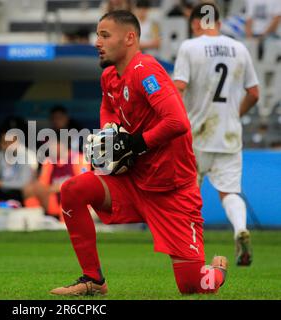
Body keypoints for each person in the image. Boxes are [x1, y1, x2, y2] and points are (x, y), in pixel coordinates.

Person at [50, 10, 228, 296]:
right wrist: (109, 129)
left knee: (195, 286)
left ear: (130, 37)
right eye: (98, 34)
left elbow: (177, 122)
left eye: (105, 35)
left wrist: (134, 144)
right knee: (73, 189)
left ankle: (217, 269)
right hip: (133, 181)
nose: (97, 41)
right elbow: (108, 106)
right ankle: (93, 279)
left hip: (171, 191)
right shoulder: (109, 76)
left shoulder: (146, 70)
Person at [173, 3, 259, 266]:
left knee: (187, 192)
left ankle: (189, 246)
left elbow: (178, 88)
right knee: (229, 192)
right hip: (229, 133)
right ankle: (240, 229)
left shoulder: (189, 47)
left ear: (195, 24)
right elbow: (254, 93)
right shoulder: (240, 49)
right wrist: (235, 114)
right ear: (219, 24)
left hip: (196, 133)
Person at [0, 131, 50, 211]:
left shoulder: (27, 156)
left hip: (19, 191)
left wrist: (0, 183)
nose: (8, 146)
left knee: (27, 190)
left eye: (11, 142)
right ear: (0, 144)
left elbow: (24, 182)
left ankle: (30, 217)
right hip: (1, 190)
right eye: (4, 142)